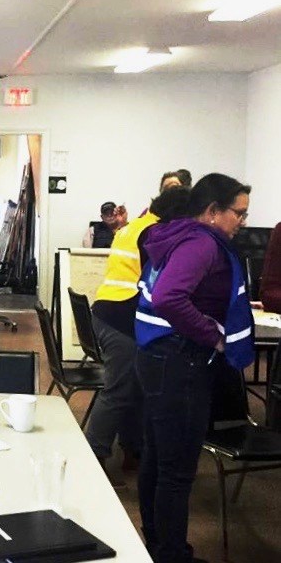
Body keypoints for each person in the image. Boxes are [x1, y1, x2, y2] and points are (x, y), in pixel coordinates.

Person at [134, 173, 255, 563]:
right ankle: (171, 555)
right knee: (176, 468)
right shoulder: (202, 244)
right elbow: (170, 297)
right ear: (212, 211)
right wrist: (214, 336)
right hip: (179, 361)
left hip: (158, 356)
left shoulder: (180, 235)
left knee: (158, 456)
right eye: (238, 213)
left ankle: (156, 544)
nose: (242, 222)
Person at [85, 187, 190, 485]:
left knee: (135, 387)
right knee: (118, 391)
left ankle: (134, 450)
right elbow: (162, 283)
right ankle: (92, 459)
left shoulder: (136, 226)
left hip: (109, 311)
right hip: (122, 318)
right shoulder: (155, 234)